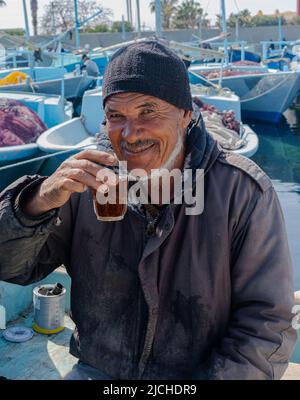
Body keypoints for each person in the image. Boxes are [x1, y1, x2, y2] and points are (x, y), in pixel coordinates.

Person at [0, 40, 296, 380]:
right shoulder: (85, 183)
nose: (130, 133)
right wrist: (35, 202)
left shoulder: (242, 192)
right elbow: (12, 268)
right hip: (99, 370)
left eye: (148, 112)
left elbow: (265, 324)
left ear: (185, 115)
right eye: (115, 116)